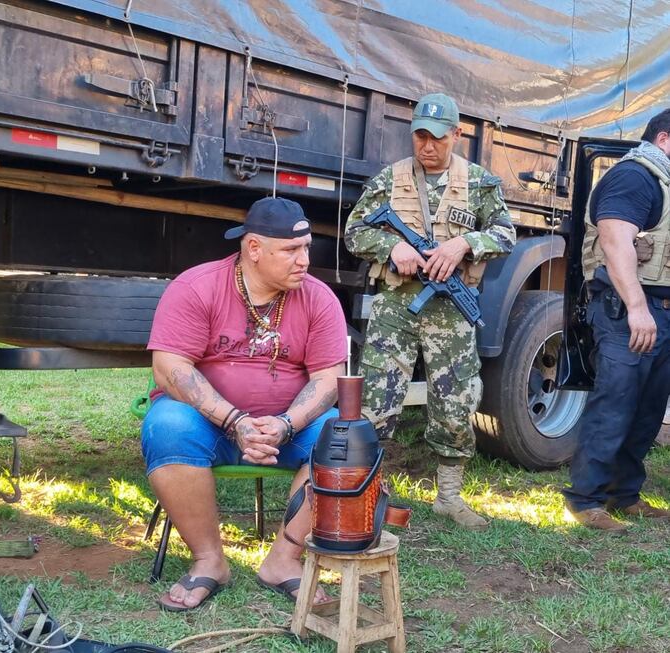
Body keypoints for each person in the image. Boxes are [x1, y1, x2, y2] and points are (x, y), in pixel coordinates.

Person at [141, 196, 346, 610]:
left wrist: (286, 424)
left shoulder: (318, 298)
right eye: (291, 250)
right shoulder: (197, 286)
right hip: (209, 425)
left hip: (287, 429)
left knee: (343, 440)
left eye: (307, 248)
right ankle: (209, 561)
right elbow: (170, 369)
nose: (304, 260)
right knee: (166, 427)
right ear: (254, 248)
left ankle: (284, 561)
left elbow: (330, 379)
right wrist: (235, 421)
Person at [344, 93, 515, 530]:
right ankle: (368, 494)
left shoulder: (479, 183)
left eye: (438, 137)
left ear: (456, 134)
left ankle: (449, 498)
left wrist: (464, 244)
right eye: (421, 136)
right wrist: (392, 247)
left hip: (451, 312)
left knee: (456, 403)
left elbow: (505, 234)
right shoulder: (390, 179)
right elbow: (354, 231)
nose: (428, 145)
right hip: (396, 305)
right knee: (376, 401)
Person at [563, 109, 670, 531]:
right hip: (628, 311)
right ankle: (585, 501)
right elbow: (614, 240)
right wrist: (638, 307)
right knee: (615, 404)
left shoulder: (662, 182)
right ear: (664, 139)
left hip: (658, 313)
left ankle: (622, 494)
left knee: (647, 409)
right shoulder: (635, 177)